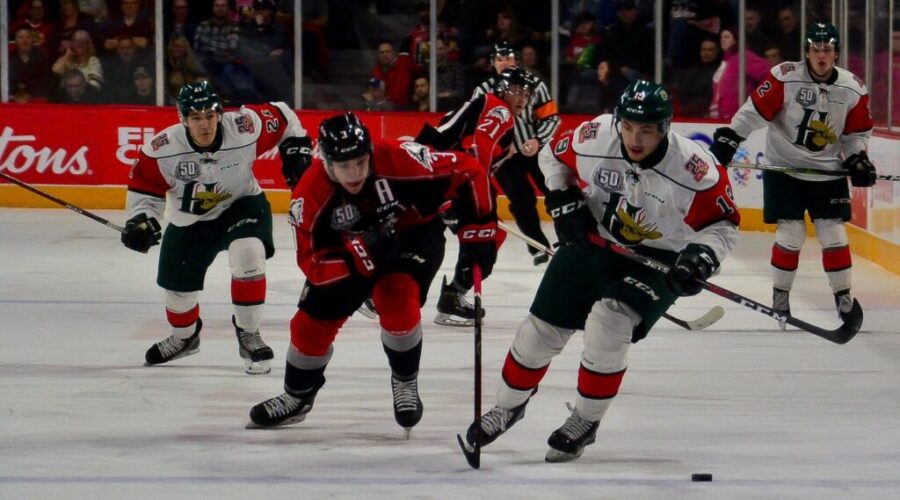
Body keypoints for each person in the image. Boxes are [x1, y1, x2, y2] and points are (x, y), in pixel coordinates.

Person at [463, 80, 740, 462]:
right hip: (596, 239)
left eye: (645, 130)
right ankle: (507, 407)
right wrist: (562, 197)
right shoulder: (595, 136)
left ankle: (585, 419)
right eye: (627, 127)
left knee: (609, 323)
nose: (634, 138)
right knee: (540, 330)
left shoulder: (695, 169)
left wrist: (701, 258)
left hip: (659, 257)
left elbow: (725, 224)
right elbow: (551, 158)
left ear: (665, 128)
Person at [246, 112, 499, 432]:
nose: (353, 173)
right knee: (309, 325)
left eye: (360, 162)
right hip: (343, 258)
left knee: (397, 300)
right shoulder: (310, 195)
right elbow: (312, 262)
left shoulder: (400, 158)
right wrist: (360, 256)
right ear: (326, 161)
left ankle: (405, 381)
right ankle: (296, 396)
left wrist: (480, 230)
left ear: (370, 153)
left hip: (413, 236)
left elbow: (470, 171)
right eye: (343, 165)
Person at [119, 81, 313, 375]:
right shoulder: (162, 149)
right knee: (176, 294)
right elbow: (145, 191)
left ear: (219, 114)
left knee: (248, 254)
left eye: (210, 115)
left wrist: (295, 147)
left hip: (242, 205)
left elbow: (284, 115)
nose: (205, 124)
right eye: (196, 118)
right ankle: (185, 338)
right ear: (182, 118)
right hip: (189, 221)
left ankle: (249, 333)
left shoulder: (245, 128)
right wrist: (141, 219)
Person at [708, 23, 875, 329]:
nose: (821, 56)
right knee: (791, 234)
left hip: (827, 172)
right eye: (815, 49)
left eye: (827, 50)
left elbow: (856, 133)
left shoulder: (852, 88)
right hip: (784, 169)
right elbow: (752, 112)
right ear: (806, 52)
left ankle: (844, 299)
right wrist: (732, 137)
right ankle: (781, 298)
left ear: (836, 52)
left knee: (833, 234)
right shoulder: (784, 77)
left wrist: (857, 157)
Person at [413, 66, 530, 326]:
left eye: (526, 93)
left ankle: (381, 293)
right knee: (484, 241)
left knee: (423, 239)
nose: (521, 98)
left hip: (433, 169)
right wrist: (479, 192)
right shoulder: (500, 110)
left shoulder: (492, 106)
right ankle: (452, 298)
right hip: (447, 174)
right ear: (502, 89)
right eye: (516, 91)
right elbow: (482, 146)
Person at [472, 41, 560, 267]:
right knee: (522, 201)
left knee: (557, 192)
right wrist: (497, 145)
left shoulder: (536, 85)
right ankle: (538, 247)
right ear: (493, 63)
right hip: (504, 159)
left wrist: (537, 140)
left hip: (535, 152)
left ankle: (570, 238)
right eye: (499, 59)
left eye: (508, 58)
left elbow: (552, 118)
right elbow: (474, 125)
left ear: (516, 61)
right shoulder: (482, 91)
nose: (503, 63)